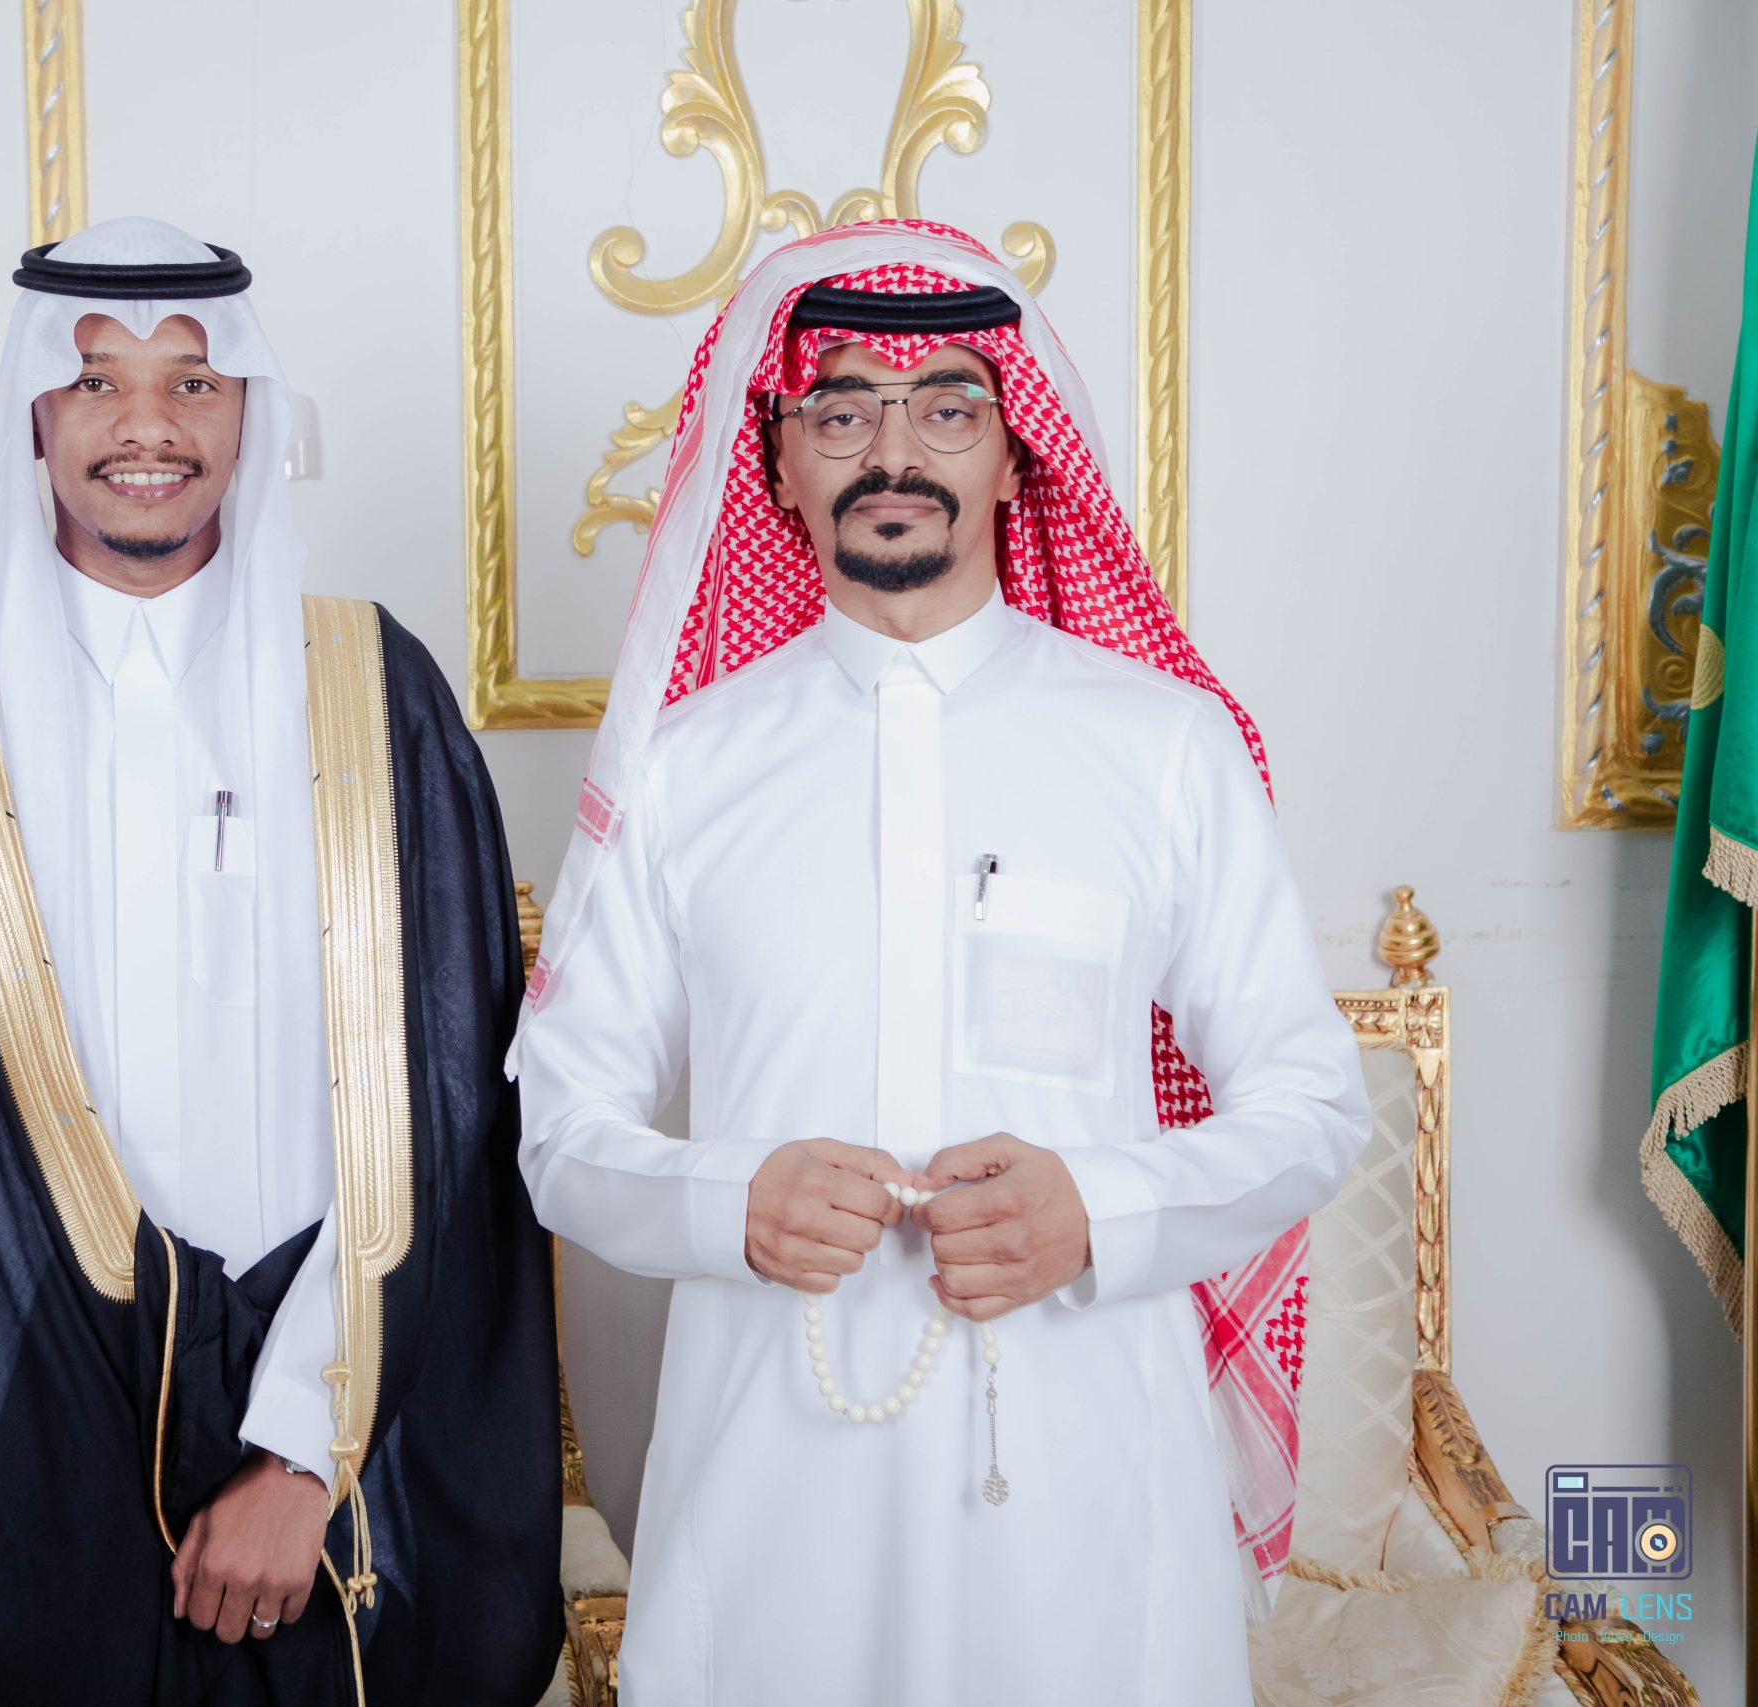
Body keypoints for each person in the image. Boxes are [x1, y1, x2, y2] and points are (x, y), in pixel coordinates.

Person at [0, 217, 562, 1706]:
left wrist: (304, 1448)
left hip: (325, 1424)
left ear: (249, 414)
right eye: (96, 382)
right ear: (36, 415)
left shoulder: (373, 689)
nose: (147, 427)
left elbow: (452, 1109)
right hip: (7, 1412)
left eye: (193, 384)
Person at [510, 218, 1371, 1705]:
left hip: (1085, 1464)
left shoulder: (1163, 747)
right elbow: (557, 1128)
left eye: (947, 408)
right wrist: (733, 1199)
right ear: (780, 460)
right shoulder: (685, 766)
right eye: (842, 410)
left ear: (1017, 455)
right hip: (774, 1472)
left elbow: (1310, 1103)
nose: (893, 451)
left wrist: (1096, 1211)